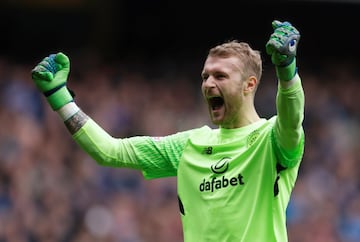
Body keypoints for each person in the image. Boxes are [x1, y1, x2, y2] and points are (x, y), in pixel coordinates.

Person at [31, 20, 305, 242]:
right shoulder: (189, 145)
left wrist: (286, 68)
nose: (208, 84)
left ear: (249, 85)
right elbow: (110, 151)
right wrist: (60, 98)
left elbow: (292, 117)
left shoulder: (272, 139)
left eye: (220, 76)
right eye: (205, 76)